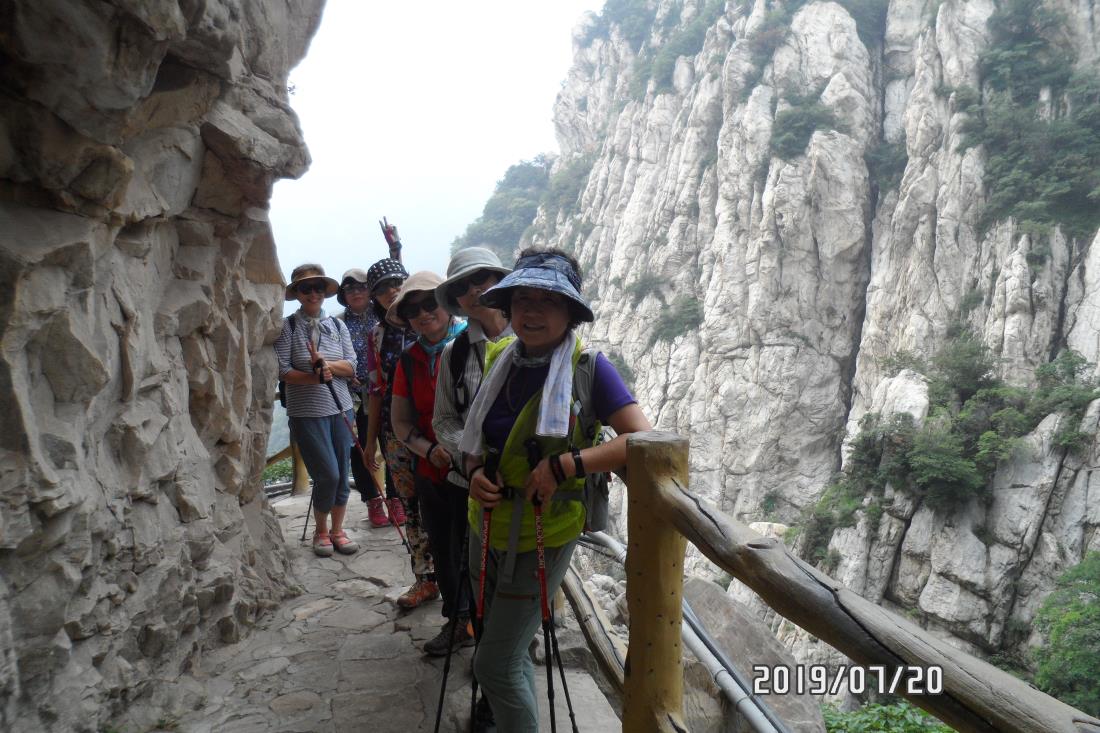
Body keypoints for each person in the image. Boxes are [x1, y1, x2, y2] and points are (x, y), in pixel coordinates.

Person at [460, 248, 651, 732]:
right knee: (508, 651)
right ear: (508, 307)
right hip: (487, 523)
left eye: (548, 300)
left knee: (493, 664)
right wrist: (474, 471)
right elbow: (480, 439)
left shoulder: (589, 368)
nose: (532, 311)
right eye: (522, 299)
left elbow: (642, 439)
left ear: (570, 312)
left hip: (544, 532)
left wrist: (568, 464)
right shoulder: (502, 358)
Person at [419, 248, 513, 657]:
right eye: (462, 286)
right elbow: (443, 420)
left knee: (517, 577)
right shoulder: (454, 353)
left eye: (481, 279)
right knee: (479, 574)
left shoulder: (532, 339)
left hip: (527, 485)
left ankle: (507, 656)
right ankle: (489, 656)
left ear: (499, 281)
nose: (474, 290)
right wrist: (475, 460)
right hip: (471, 485)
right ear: (456, 299)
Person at [388, 271, 470, 649]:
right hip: (431, 469)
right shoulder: (410, 360)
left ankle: (488, 624)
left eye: (429, 303)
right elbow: (401, 421)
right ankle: (458, 619)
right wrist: (428, 450)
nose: (423, 313)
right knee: (444, 547)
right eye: (413, 309)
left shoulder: (475, 346)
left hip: (475, 468)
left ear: (446, 303)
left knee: (478, 548)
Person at [274, 264, 360, 557]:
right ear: (297, 293)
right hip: (307, 413)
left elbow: (351, 366)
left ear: (325, 291)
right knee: (328, 475)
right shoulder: (289, 327)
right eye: (306, 288)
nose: (313, 293)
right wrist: (316, 377)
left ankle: (338, 530)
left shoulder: (337, 326)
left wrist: (325, 365)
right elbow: (283, 370)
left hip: (341, 408)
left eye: (318, 287)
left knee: (342, 472)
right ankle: (321, 531)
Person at [335, 268, 392, 527]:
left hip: (385, 391)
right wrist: (348, 376)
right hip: (353, 395)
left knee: (390, 443)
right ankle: (373, 500)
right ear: (343, 295)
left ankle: (396, 498)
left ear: (369, 290)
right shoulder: (336, 323)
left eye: (361, 287)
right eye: (350, 289)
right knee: (358, 449)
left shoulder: (383, 315)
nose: (356, 292)